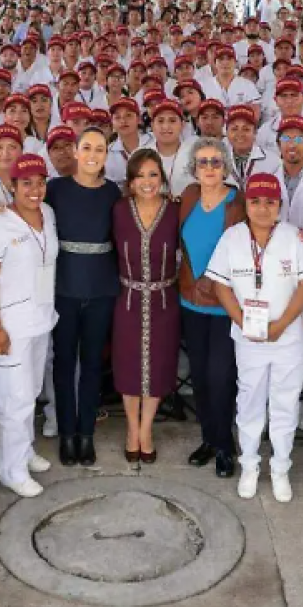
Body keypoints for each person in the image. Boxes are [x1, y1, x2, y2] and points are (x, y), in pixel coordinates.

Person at [208, 173, 303, 502]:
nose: (263, 208)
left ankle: (281, 467)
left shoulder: (294, 237)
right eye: (255, 201)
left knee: (285, 404)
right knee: (250, 402)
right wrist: (241, 321)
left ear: (280, 206)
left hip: (290, 338)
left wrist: (282, 323)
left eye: (270, 202)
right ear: (246, 205)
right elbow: (220, 285)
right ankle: (250, 465)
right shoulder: (232, 237)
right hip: (249, 339)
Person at [0, 154, 59, 498]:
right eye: (26, 183)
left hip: (40, 320)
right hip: (10, 325)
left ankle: (25, 451)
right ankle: (10, 469)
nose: (34, 189)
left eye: (40, 182)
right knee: (14, 399)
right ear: (12, 186)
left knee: (29, 394)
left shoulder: (49, 214)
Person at [43, 129, 121, 467]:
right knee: (63, 363)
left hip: (101, 288)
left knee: (92, 363)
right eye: (86, 147)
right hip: (63, 287)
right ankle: (66, 432)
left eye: (99, 149)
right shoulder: (55, 189)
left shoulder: (112, 192)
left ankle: (86, 433)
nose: (92, 154)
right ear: (75, 152)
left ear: (106, 155)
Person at [178, 138, 245, 478]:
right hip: (190, 301)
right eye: (202, 162)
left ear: (226, 167)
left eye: (215, 162)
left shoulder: (238, 202)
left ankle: (224, 445)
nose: (208, 168)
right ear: (194, 167)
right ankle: (208, 438)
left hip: (224, 304)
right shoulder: (189, 196)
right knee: (201, 377)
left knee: (222, 377)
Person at [111, 149, 180, 464]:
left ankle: (147, 430)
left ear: (162, 178)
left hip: (165, 300)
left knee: (159, 366)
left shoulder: (175, 209)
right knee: (128, 367)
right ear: (131, 180)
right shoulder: (118, 211)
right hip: (127, 299)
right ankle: (131, 428)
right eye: (140, 175)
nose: (147, 181)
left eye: (153, 174)